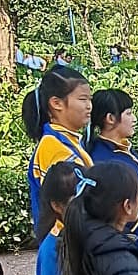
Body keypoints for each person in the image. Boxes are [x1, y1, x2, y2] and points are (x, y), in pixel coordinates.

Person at [88, 89, 138, 267]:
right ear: (110, 118)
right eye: (128, 113)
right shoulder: (103, 159)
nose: (134, 118)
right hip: (130, 243)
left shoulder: (126, 151)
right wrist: (129, 234)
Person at [21, 65, 93, 225]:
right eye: (83, 99)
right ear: (56, 103)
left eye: (90, 99)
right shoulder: (53, 147)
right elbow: (72, 205)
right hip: (66, 237)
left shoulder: (69, 141)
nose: (89, 106)